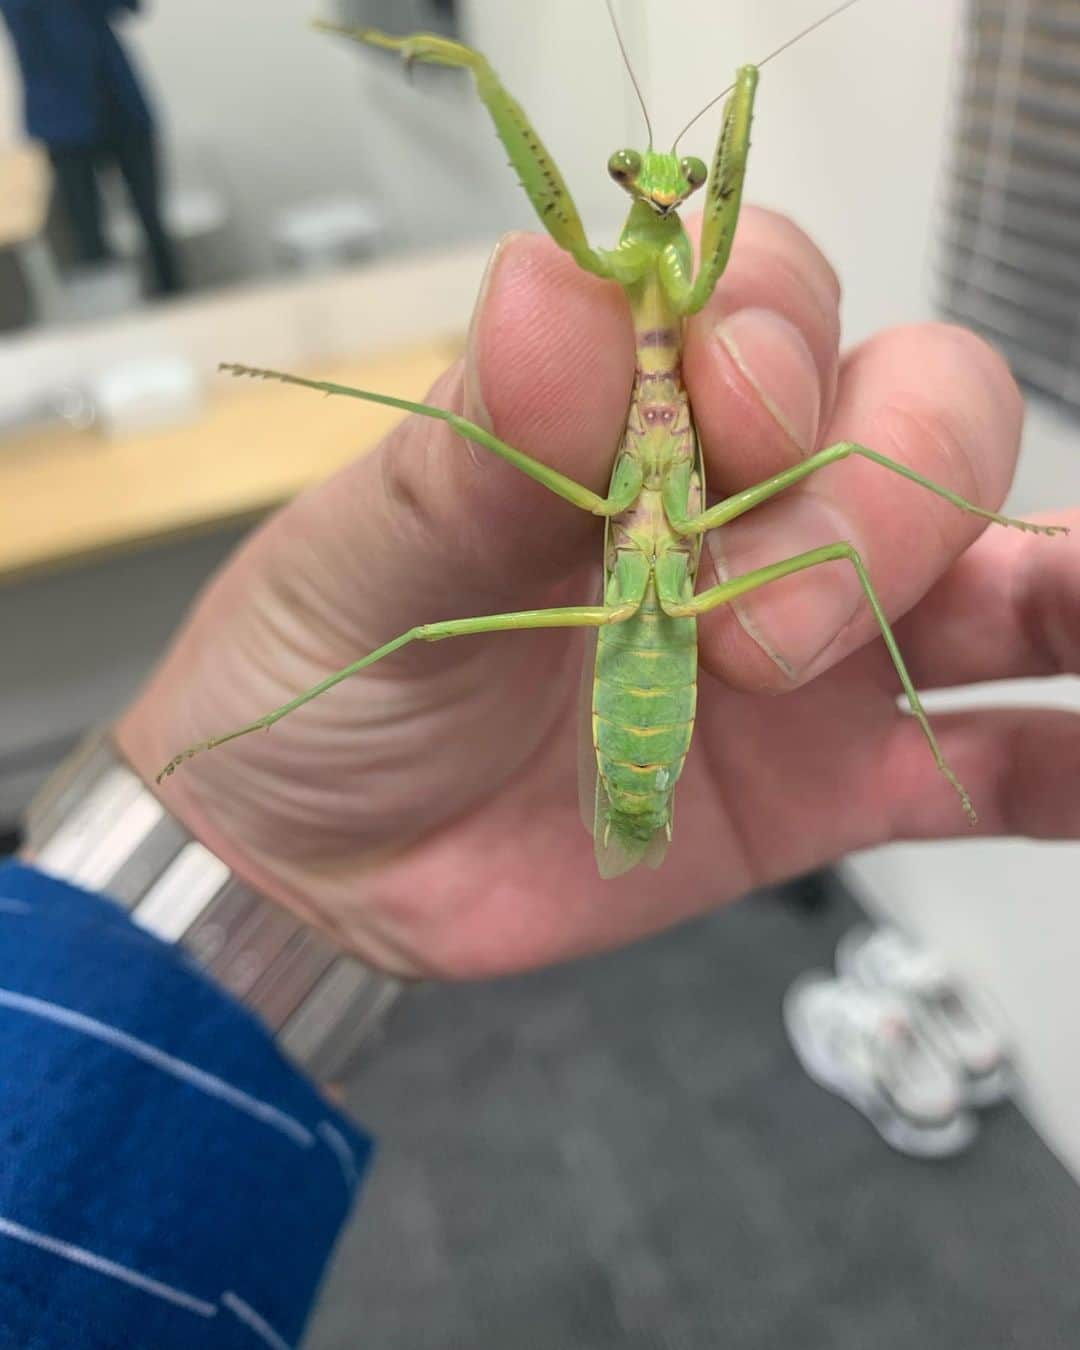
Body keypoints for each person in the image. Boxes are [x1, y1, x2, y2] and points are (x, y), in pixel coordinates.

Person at [4, 213, 1078, 1347]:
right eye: (641, 193)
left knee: (844, 501)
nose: (658, 209)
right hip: (627, 647)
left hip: (668, 650)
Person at [0, 0, 183, 296]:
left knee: (153, 223)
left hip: (119, 101)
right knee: (89, 238)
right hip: (61, 116)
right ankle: (114, 322)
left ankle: (176, 301)